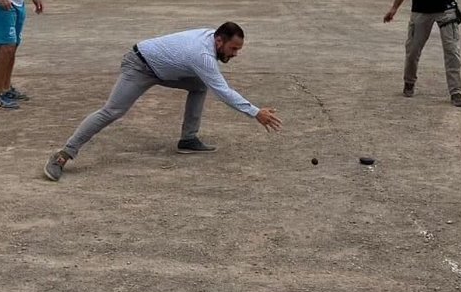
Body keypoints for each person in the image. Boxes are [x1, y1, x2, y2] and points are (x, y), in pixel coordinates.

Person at [43, 22, 283, 181]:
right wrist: (255, 112)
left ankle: (188, 139)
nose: (235, 54)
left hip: (164, 69)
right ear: (219, 41)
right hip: (139, 66)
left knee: (200, 85)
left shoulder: (212, 38)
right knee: (112, 111)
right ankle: (63, 155)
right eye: (233, 48)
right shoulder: (202, 54)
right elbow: (223, 91)